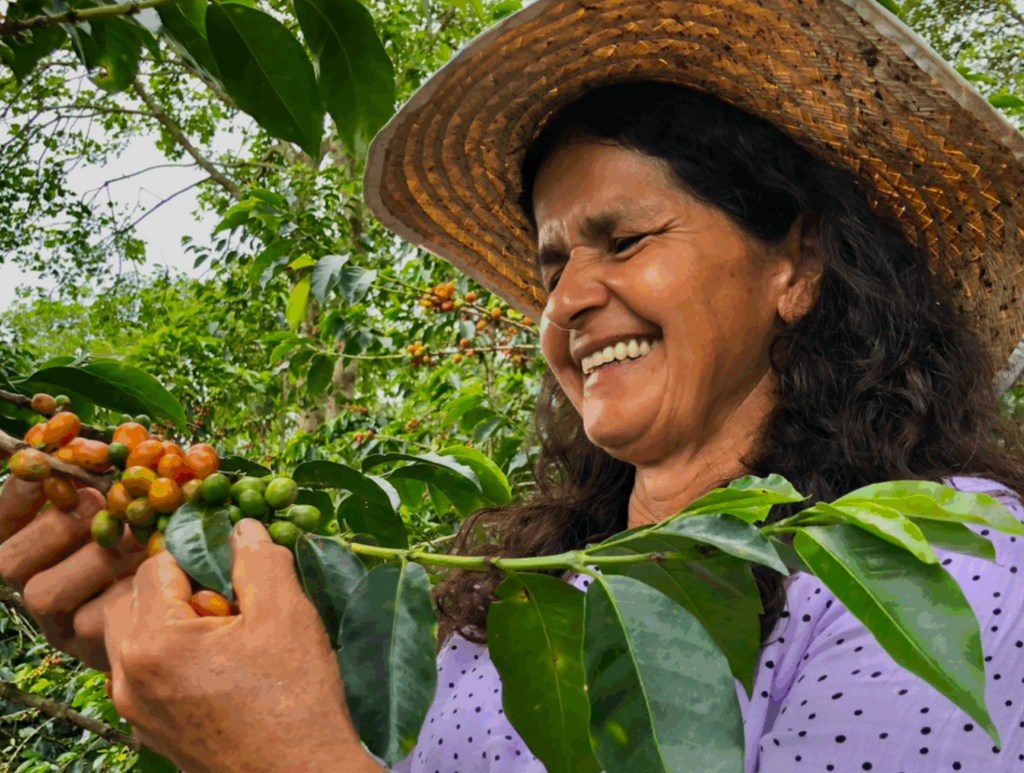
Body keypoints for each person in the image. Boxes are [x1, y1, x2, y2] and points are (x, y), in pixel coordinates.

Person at [2, 0, 1024, 771]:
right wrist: (188, 655)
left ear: (795, 266)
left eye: (623, 238)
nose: (571, 298)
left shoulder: (939, 563)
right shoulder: (525, 589)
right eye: (548, 267)